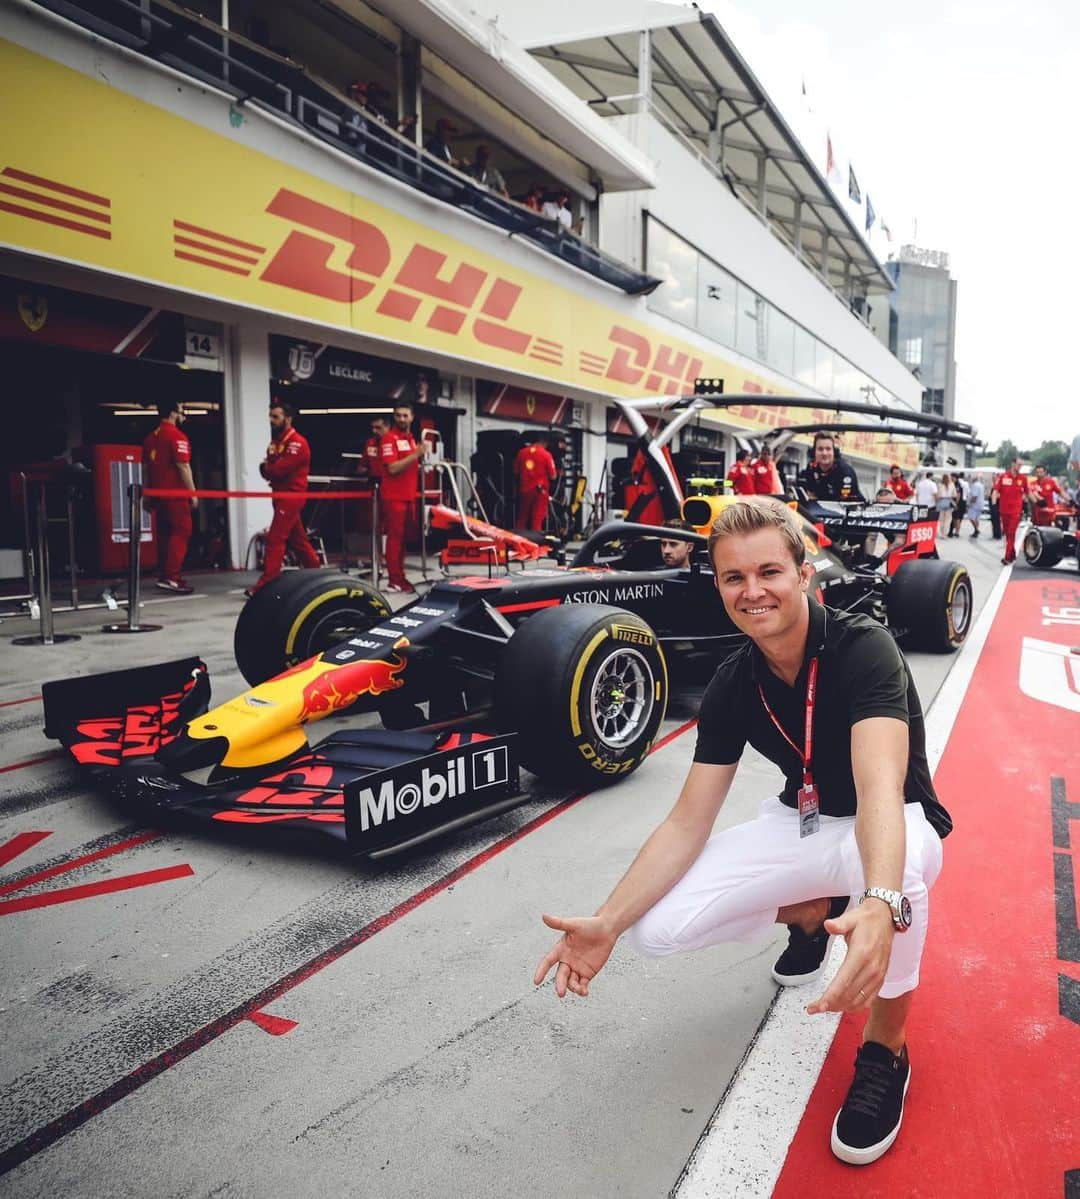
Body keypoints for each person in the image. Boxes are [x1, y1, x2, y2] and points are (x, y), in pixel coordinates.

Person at [534, 499, 949, 1167]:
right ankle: (812, 911)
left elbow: (880, 783)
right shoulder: (733, 681)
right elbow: (687, 819)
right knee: (655, 927)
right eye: (733, 578)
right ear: (719, 586)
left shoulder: (863, 647)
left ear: (805, 573)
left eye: (769, 572)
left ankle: (886, 1048)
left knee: (898, 883)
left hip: (894, 819)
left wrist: (875, 897)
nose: (752, 591)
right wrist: (608, 919)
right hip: (804, 821)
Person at [250, 400, 321, 596]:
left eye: (276, 417)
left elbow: (278, 470)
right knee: (298, 540)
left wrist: (268, 467)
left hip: (292, 496)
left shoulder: (298, 442)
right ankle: (315, 568)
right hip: (279, 495)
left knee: (275, 538)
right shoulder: (276, 442)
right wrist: (268, 468)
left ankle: (266, 585)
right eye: (270, 417)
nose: (272, 421)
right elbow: (267, 471)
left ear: (288, 419)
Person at [143, 398, 197, 594]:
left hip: (157, 494)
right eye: (181, 410)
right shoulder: (177, 436)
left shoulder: (149, 438)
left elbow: (146, 470)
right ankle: (172, 577)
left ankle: (165, 574)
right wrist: (192, 492)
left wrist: (147, 495)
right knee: (183, 531)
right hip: (175, 494)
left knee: (166, 534)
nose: (183, 414)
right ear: (173, 413)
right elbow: (183, 466)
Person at [380, 401, 425, 593]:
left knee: (403, 540)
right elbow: (392, 468)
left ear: (412, 417)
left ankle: (401, 576)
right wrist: (415, 455)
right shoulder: (389, 439)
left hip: (409, 496)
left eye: (405, 415)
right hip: (394, 497)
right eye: (398, 415)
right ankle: (394, 580)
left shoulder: (411, 439)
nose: (402, 419)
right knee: (395, 540)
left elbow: (410, 466)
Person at [796, 432, 867, 502]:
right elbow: (811, 495)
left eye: (828, 449)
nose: (824, 453)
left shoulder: (845, 472)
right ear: (814, 452)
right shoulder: (811, 468)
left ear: (834, 452)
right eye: (820, 449)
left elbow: (846, 503)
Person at [514, 434, 557, 532]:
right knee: (537, 519)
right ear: (544, 443)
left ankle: (517, 542)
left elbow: (516, 471)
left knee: (522, 518)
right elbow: (553, 476)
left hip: (524, 489)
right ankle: (536, 544)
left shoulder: (521, 453)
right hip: (540, 491)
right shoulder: (546, 455)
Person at [991, 455, 1026, 565]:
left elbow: (1029, 493)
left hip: (1016, 511)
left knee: (1011, 533)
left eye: (1021, 465)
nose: (1020, 467)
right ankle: (1012, 554)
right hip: (1004, 510)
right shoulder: (1003, 476)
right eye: (1018, 464)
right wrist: (993, 505)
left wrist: (1037, 502)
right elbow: (996, 491)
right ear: (1013, 464)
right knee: (1007, 533)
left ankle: (1007, 557)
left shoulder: (1023, 479)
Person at [948, 472, 969, 538]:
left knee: (956, 518)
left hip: (958, 503)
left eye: (952, 477)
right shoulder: (953, 484)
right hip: (956, 502)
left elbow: (958, 495)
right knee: (955, 518)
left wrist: (955, 504)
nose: (951, 478)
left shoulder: (957, 485)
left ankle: (956, 532)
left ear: (956, 478)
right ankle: (953, 532)